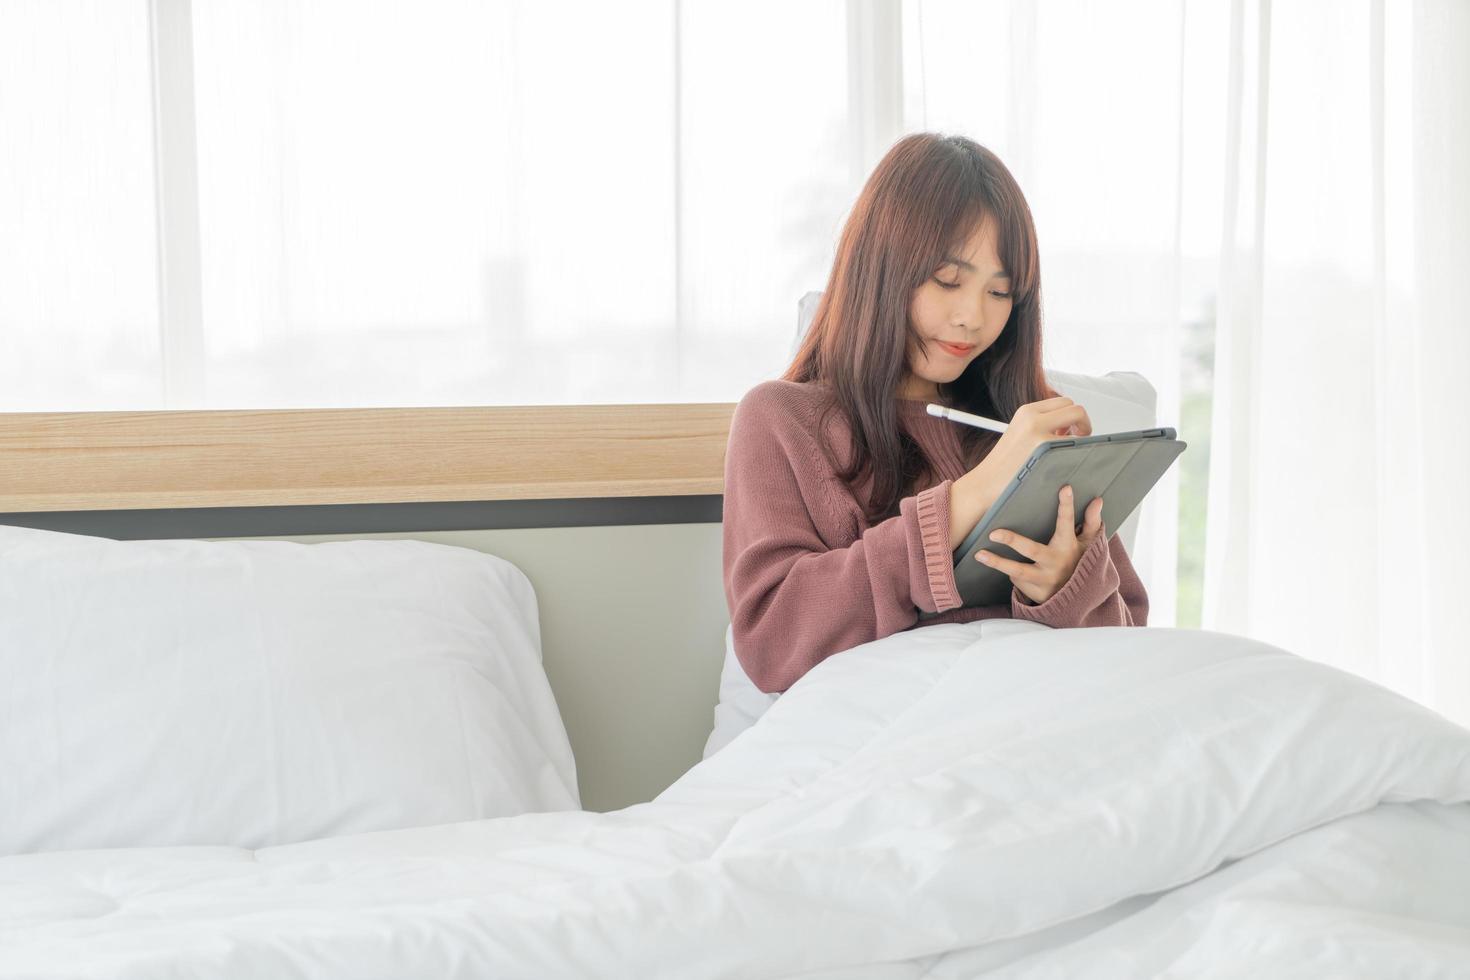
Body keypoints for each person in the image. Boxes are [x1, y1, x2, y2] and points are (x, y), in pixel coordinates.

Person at [721, 132, 1149, 695]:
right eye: (948, 280)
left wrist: (1066, 585)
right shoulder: (782, 420)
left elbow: (1130, 640)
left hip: (1044, 720)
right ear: (880, 267)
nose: (972, 316)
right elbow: (774, 641)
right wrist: (979, 490)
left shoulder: (1026, 420)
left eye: (1000, 294)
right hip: (891, 738)